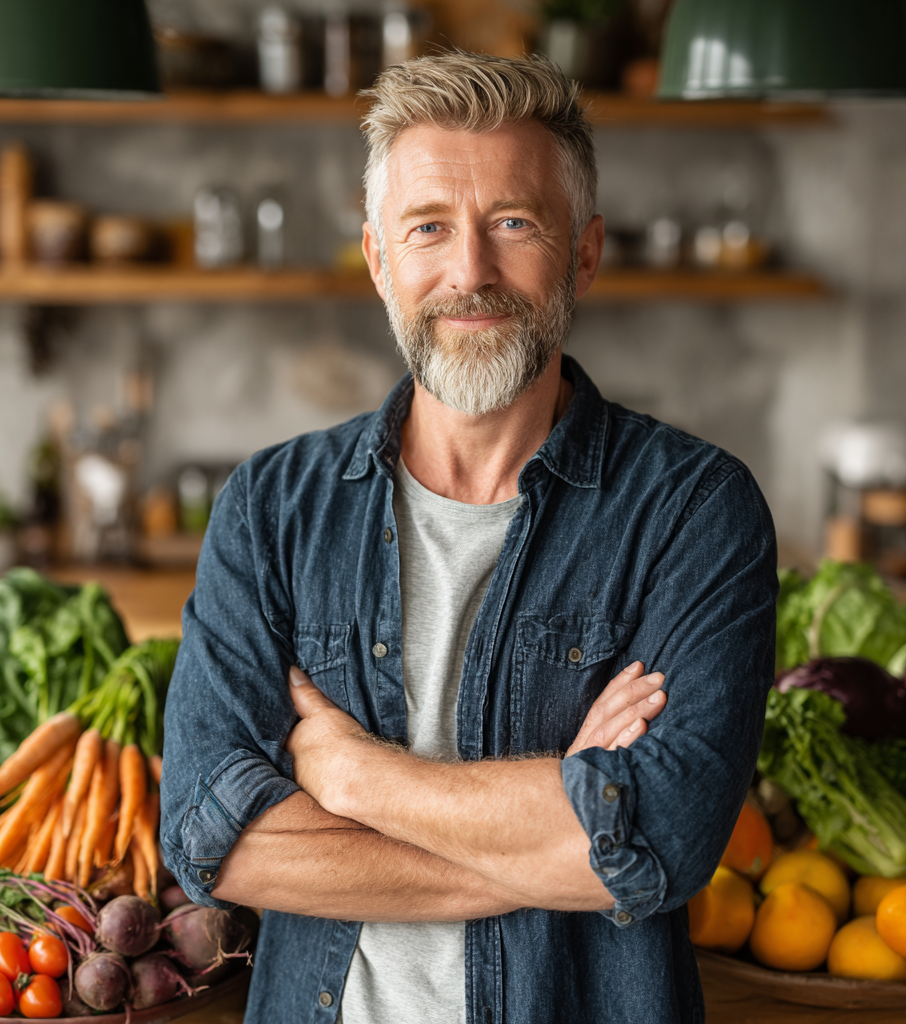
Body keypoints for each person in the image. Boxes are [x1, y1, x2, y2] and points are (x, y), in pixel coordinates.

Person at [161, 52, 777, 1024]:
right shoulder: (271, 508)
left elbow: (657, 841)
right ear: (377, 258)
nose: (470, 273)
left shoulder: (692, 511)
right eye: (428, 228)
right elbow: (220, 844)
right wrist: (563, 831)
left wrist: (356, 775)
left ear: (583, 252)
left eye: (514, 224)